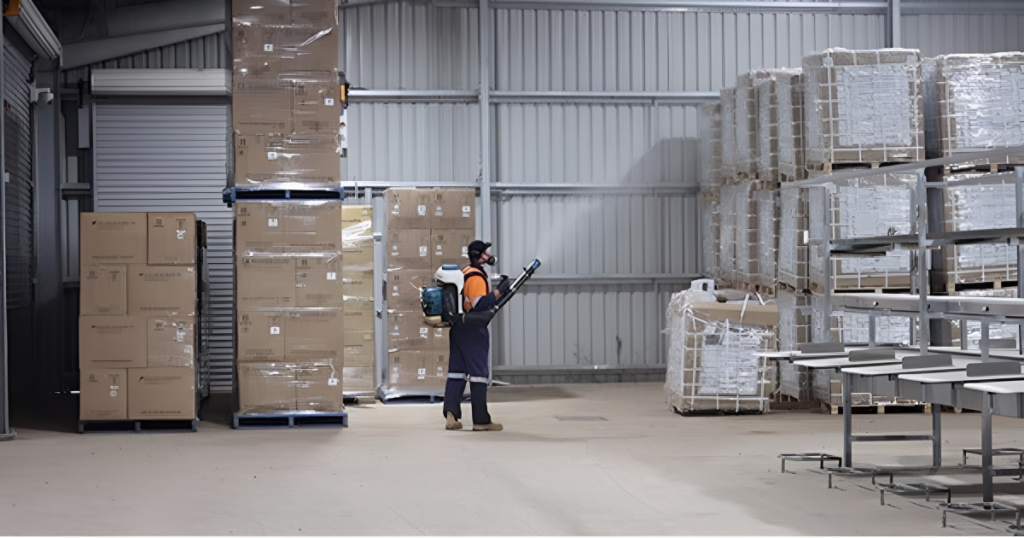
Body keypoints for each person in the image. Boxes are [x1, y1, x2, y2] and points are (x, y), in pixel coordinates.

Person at [442, 240, 510, 431]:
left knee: (456, 372)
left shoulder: (464, 272)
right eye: (485, 253)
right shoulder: (477, 277)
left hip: (458, 327)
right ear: (479, 255)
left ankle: (451, 415)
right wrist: (500, 290)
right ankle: (481, 420)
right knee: (479, 374)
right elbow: (480, 304)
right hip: (473, 329)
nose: (488, 256)